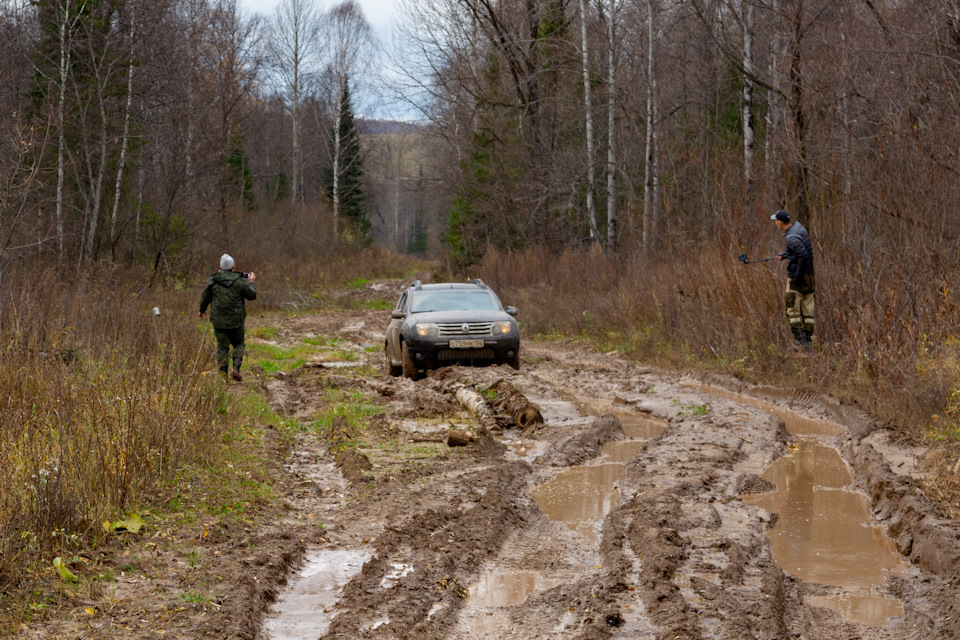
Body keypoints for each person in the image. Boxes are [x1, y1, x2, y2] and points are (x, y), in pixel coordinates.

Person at [199, 254, 257, 381]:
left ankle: (222, 376)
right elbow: (252, 295)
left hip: (219, 322)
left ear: (220, 267)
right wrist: (251, 283)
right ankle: (236, 368)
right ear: (233, 267)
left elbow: (205, 298)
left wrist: (201, 311)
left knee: (222, 347)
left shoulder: (213, 280)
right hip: (236, 321)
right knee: (238, 343)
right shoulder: (240, 281)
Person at [771, 209, 815, 348]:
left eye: (775, 221)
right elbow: (799, 251)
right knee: (808, 309)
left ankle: (799, 341)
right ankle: (808, 340)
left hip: (799, 277)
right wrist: (785, 255)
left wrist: (796, 276)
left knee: (792, 309)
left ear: (779, 222)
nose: (775, 223)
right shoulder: (798, 228)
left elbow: (803, 255)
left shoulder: (791, 238)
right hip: (810, 276)